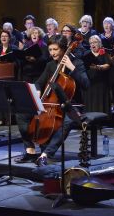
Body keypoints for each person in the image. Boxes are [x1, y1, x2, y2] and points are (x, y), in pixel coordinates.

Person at [15, 35, 89, 166]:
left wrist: (72, 68)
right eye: (50, 50)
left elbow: (86, 84)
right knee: (21, 113)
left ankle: (46, 154)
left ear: (63, 49)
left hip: (71, 105)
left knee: (68, 121)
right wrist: (37, 90)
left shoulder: (77, 63)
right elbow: (39, 82)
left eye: (55, 49)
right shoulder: (50, 65)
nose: (52, 53)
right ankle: (30, 151)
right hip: (50, 102)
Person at [82, 35, 112, 114]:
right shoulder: (86, 54)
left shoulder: (104, 52)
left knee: (101, 100)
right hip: (90, 81)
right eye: (91, 43)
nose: (92, 44)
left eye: (95, 42)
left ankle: (101, 120)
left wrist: (98, 67)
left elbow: (108, 65)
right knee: (90, 100)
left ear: (100, 43)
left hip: (101, 82)